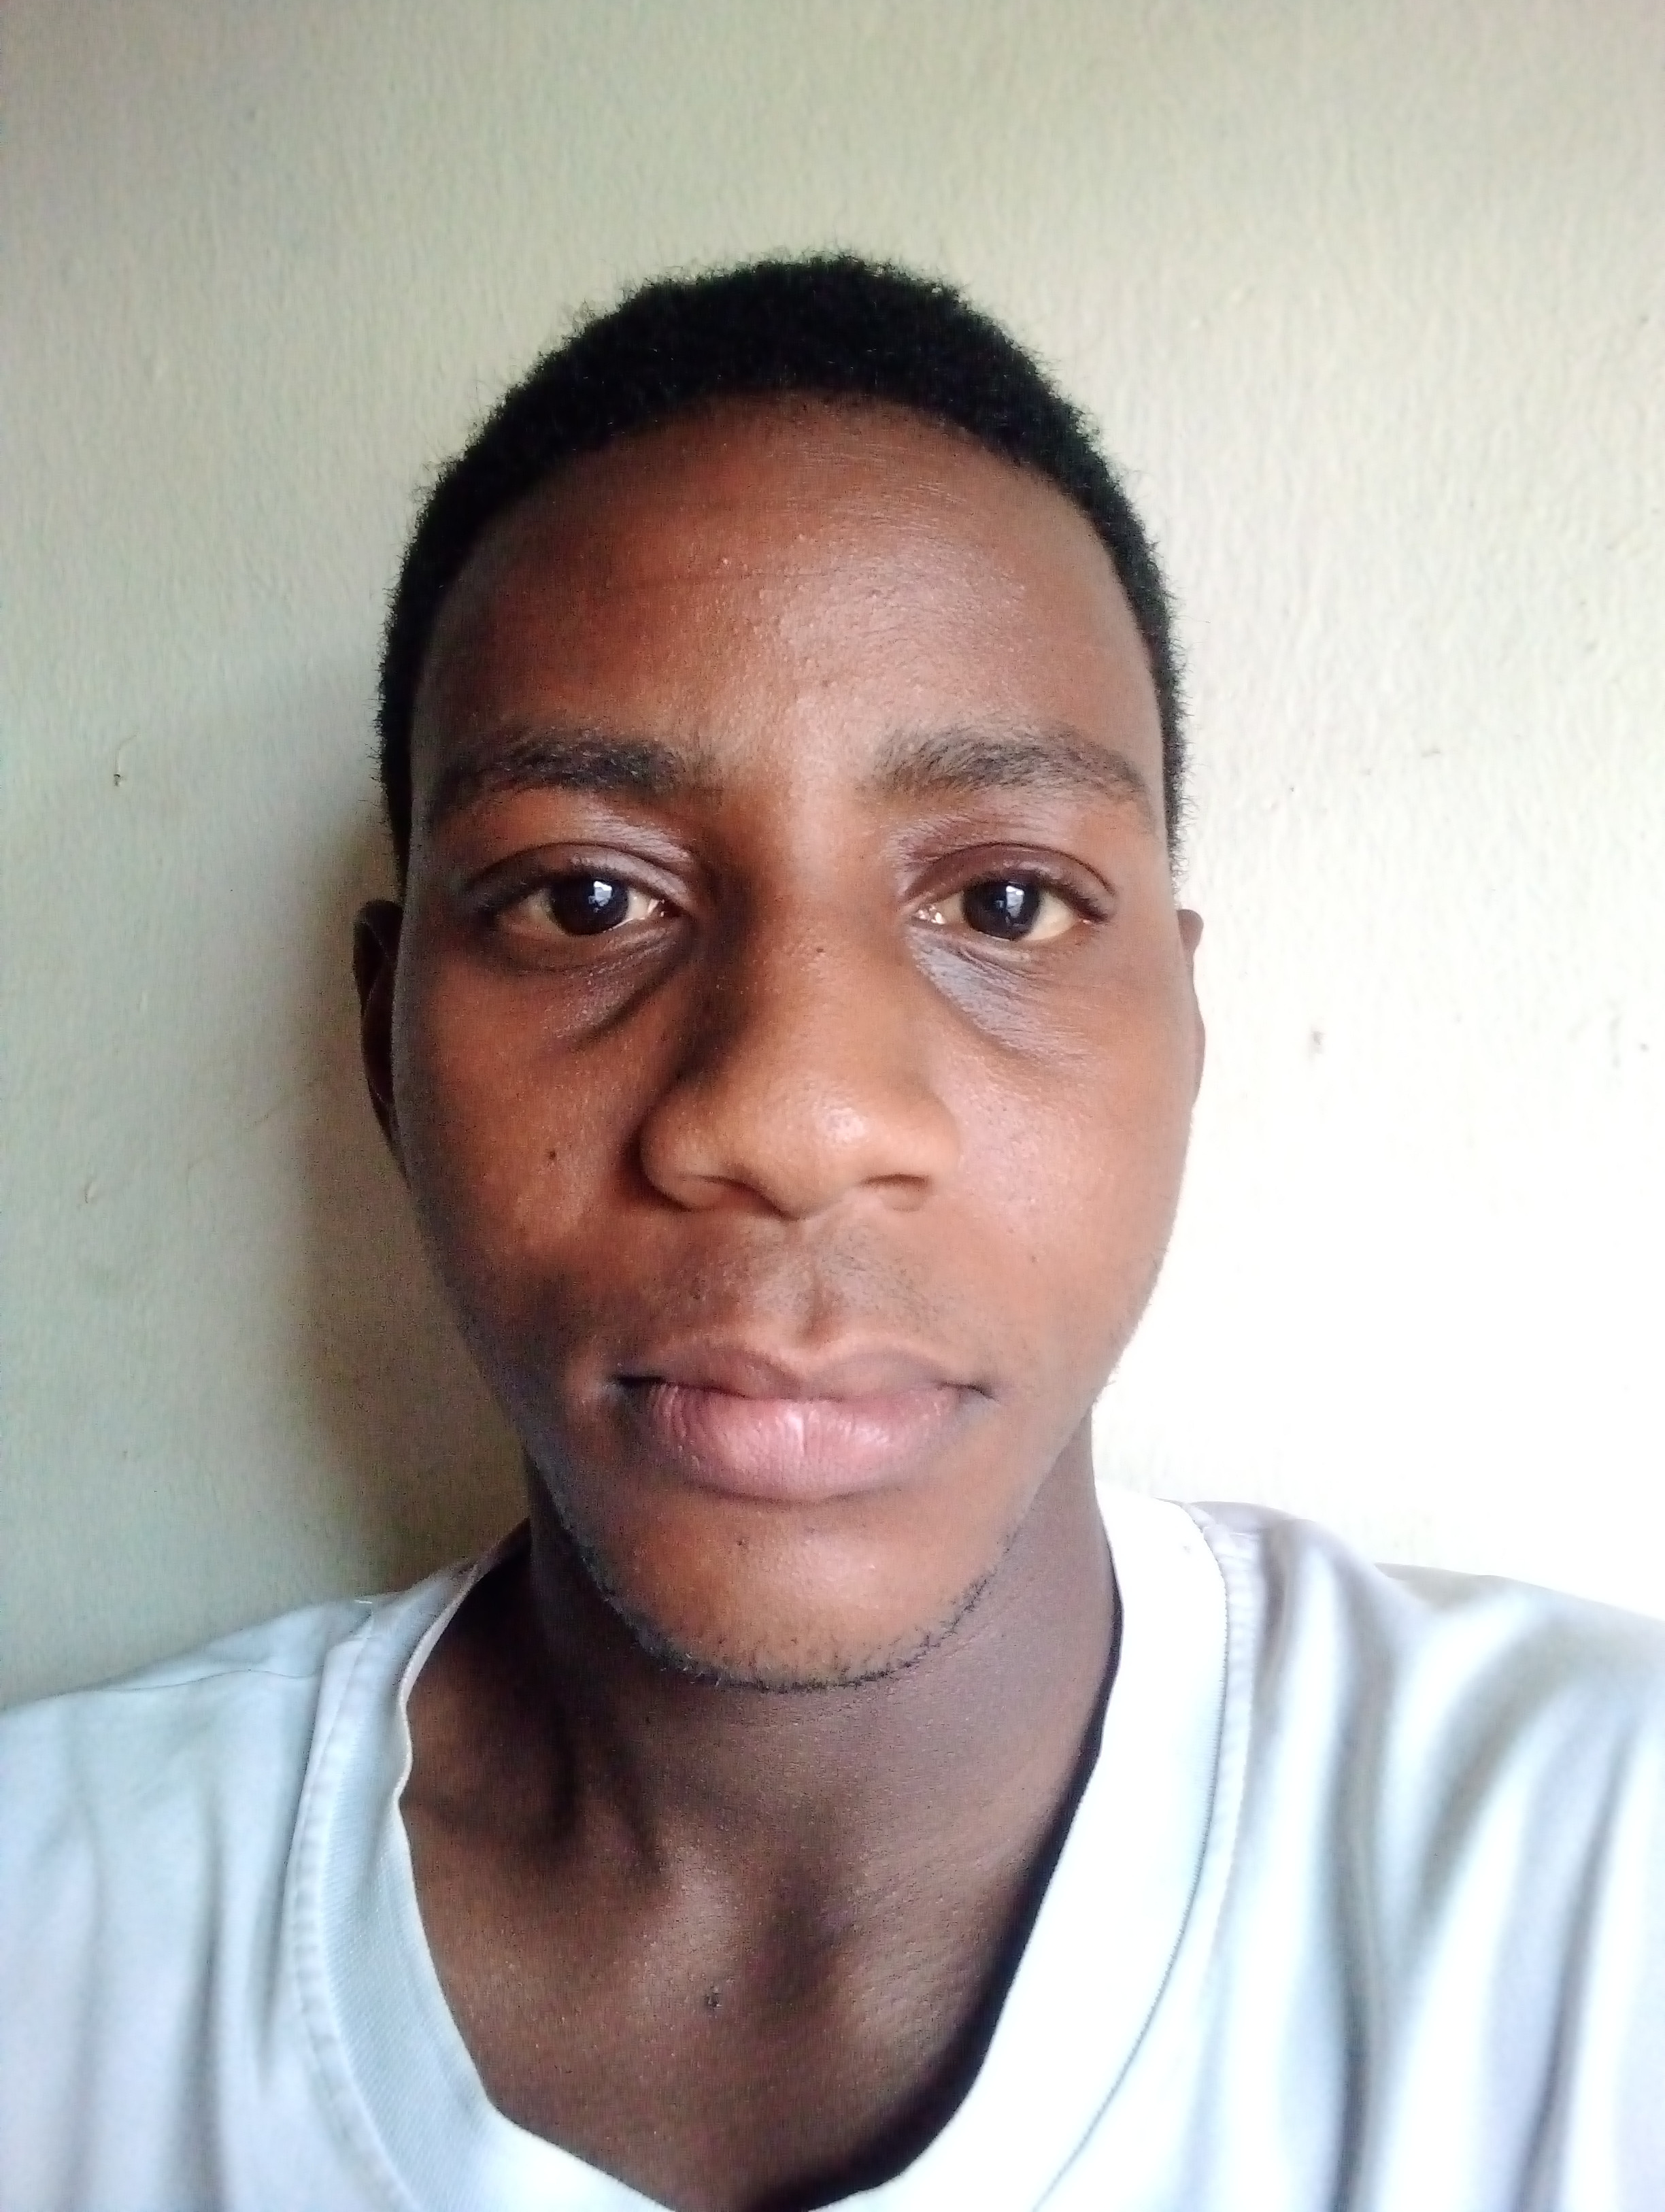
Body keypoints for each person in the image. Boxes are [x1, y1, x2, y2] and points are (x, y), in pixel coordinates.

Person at [1, 256, 1662, 2212]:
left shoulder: (1601, 1881)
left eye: (1007, 905)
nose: (793, 1119)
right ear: (383, 1048)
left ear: (1188, 1030)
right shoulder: (54, 1944)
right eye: (586, 900)